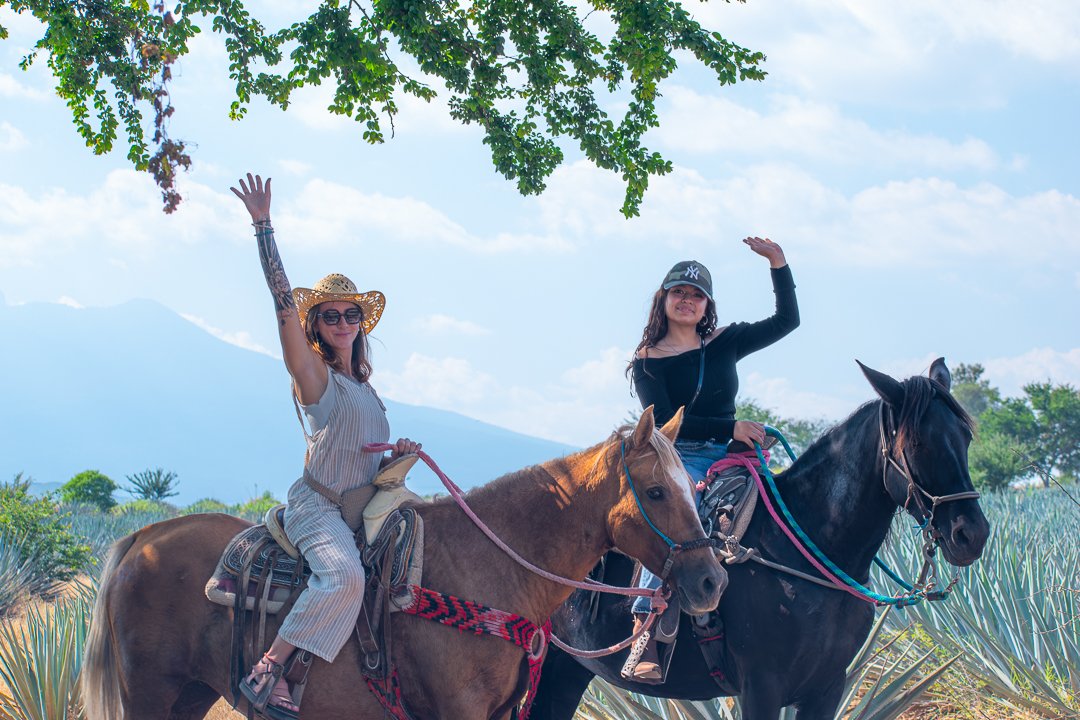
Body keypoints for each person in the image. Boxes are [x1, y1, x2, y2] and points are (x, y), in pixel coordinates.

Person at [231, 173, 420, 719]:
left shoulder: (366, 389)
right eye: (330, 315)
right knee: (344, 576)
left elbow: (361, 457)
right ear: (315, 323)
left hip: (361, 506)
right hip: (319, 507)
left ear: (362, 323)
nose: (342, 322)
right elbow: (282, 306)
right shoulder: (315, 376)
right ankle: (270, 667)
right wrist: (264, 227)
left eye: (351, 314)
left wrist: (394, 458)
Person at [621, 236, 800, 682]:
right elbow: (665, 422)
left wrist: (778, 263)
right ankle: (647, 629)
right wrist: (729, 428)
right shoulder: (647, 360)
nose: (687, 300)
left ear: (707, 306)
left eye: (696, 295)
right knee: (676, 515)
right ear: (664, 299)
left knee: (783, 505)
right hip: (678, 454)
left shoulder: (725, 341)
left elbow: (787, 321)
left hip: (734, 454)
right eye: (679, 292)